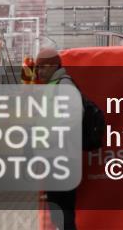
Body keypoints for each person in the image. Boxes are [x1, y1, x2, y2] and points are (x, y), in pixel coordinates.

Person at [35, 48, 80, 230]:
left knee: (62, 212)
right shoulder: (55, 85)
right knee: (59, 212)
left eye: (42, 67)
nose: (38, 71)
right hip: (56, 157)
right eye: (37, 68)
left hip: (62, 158)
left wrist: (52, 137)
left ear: (54, 65)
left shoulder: (63, 85)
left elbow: (75, 115)